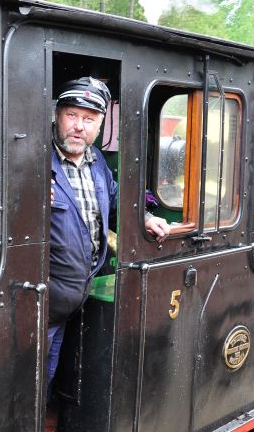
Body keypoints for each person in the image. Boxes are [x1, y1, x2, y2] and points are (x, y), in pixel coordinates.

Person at [46, 77, 169, 387]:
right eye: (71, 115)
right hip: (43, 302)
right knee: (31, 380)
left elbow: (115, 203)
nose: (79, 126)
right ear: (56, 115)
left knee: (51, 372)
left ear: (99, 126)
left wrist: (145, 218)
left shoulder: (96, 160)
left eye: (88, 119)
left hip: (75, 296)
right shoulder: (34, 161)